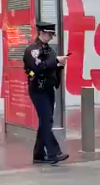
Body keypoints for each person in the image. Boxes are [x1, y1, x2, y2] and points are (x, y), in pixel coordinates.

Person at [23, 22, 69, 165]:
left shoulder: (49, 49)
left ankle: (39, 154)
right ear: (41, 32)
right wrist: (56, 61)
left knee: (46, 121)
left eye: (52, 34)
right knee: (46, 120)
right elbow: (37, 68)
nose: (51, 37)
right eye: (49, 34)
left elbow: (51, 66)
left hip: (48, 88)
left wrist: (59, 64)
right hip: (38, 89)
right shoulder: (32, 49)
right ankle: (54, 153)